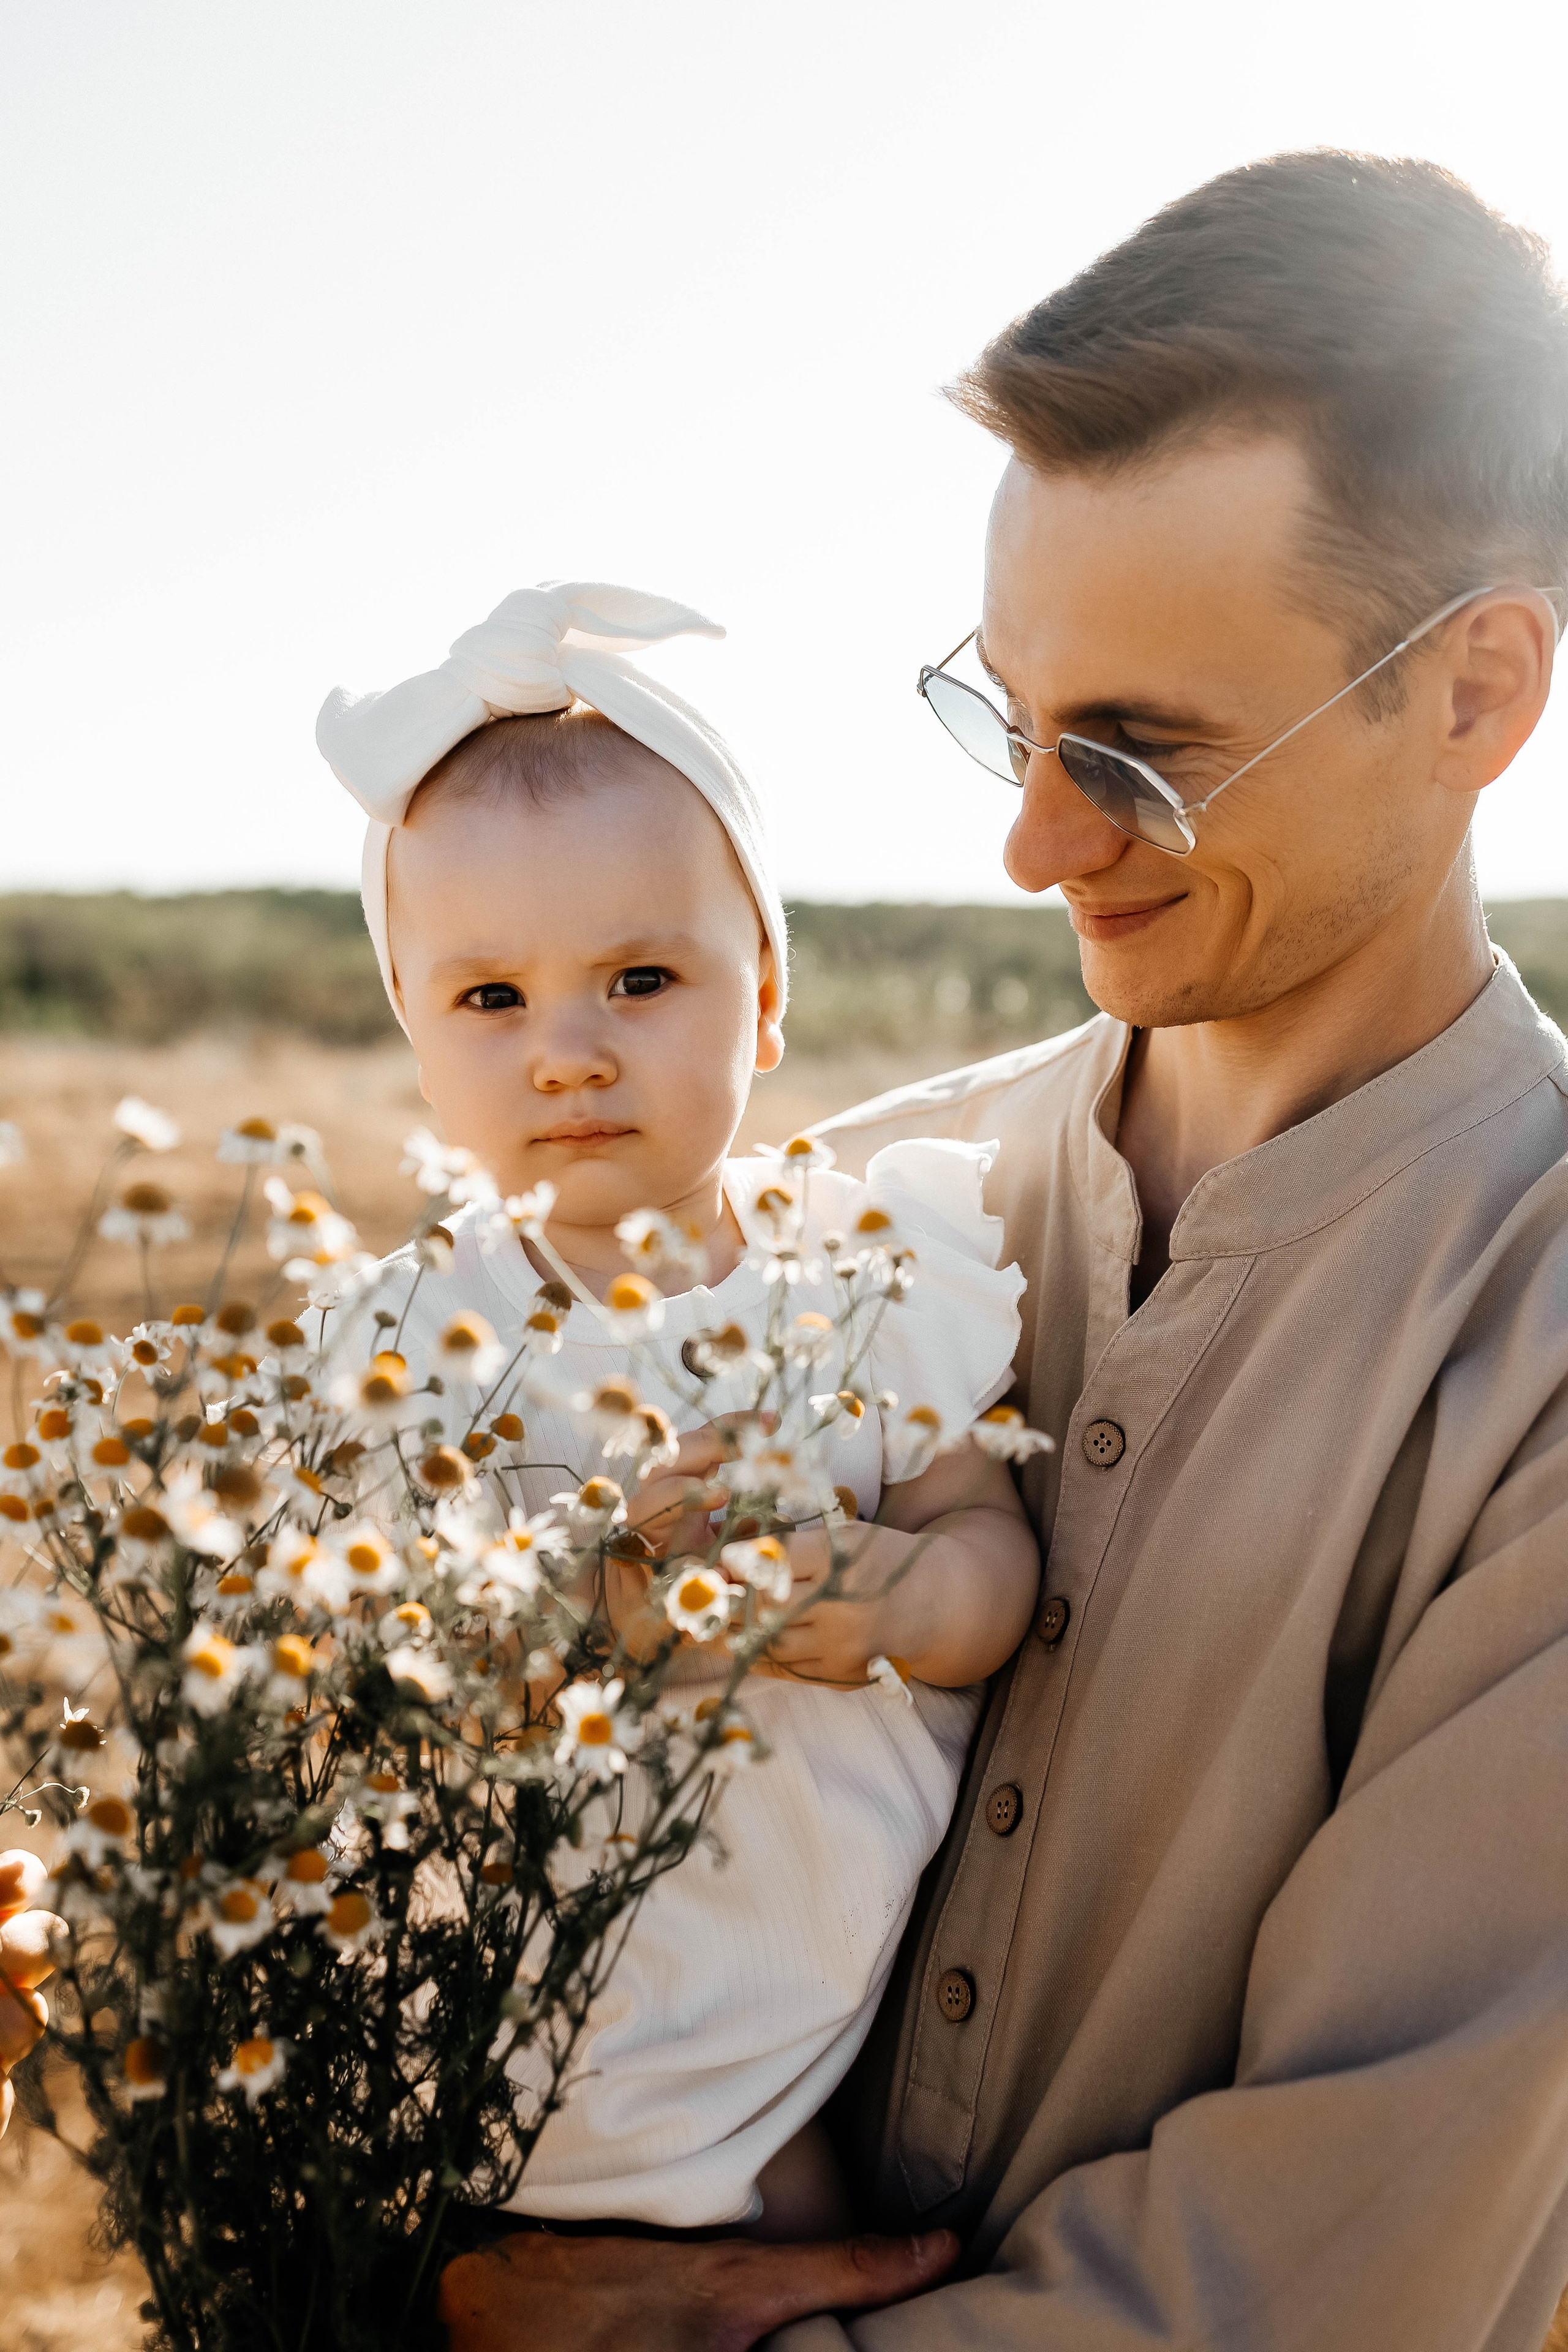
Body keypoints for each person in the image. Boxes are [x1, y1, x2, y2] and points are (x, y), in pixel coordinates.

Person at [437, 153, 1568, 2351]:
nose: (1031, 840)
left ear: (1477, 696)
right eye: (1009, 717)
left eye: (1138, 760)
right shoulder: (835, 1217)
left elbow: (1354, 2251)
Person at [315, 584, 1042, 2236]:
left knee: (791, 2236)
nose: (567, 1053)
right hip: (509, 2019)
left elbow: (983, 1541)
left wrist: (900, 1594)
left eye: (640, 979)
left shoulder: (866, 1268)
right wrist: (604, 1602)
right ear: (420, 1046)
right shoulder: (416, 1335)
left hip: (791, 2024)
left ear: (765, 1000)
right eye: (490, 1001)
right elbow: (383, 1672)